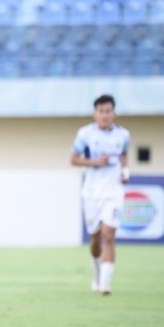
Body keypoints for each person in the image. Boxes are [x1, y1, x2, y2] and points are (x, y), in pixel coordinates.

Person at [70, 94, 130, 295]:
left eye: (108, 111)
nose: (105, 115)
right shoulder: (85, 134)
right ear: (95, 114)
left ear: (114, 113)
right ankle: (97, 273)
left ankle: (105, 283)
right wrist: (95, 162)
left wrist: (125, 171)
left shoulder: (123, 135)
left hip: (114, 193)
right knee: (95, 239)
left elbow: (124, 155)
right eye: (101, 111)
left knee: (109, 236)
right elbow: (73, 159)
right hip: (92, 194)